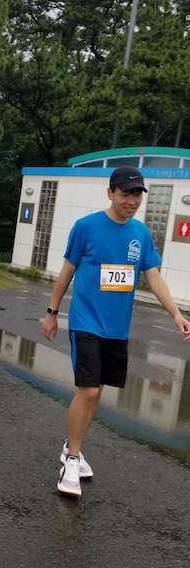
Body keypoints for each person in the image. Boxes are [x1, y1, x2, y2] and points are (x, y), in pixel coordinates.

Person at [42, 166, 190, 498]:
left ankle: (72, 447)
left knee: (98, 392)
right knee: (88, 390)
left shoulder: (141, 233)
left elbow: (153, 277)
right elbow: (67, 271)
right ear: (110, 193)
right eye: (125, 194)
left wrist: (176, 314)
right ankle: (71, 460)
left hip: (117, 328)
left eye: (137, 194)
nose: (132, 201)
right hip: (85, 322)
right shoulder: (86, 227)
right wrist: (52, 313)